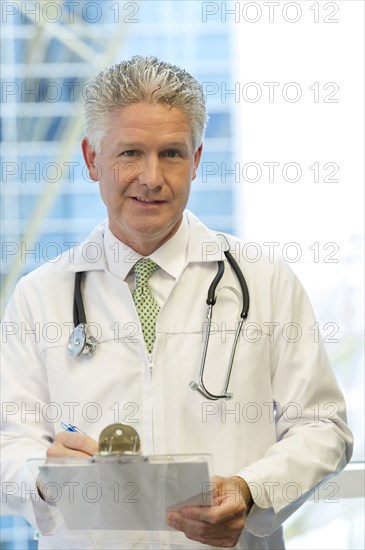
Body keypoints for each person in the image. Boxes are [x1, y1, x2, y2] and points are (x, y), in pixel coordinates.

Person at [1, 56, 353, 550]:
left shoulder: (265, 281)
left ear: (196, 160)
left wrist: (252, 491)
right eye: (129, 153)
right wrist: (42, 476)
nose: (151, 177)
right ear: (91, 158)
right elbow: (8, 444)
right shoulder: (39, 296)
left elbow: (323, 429)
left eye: (170, 153)